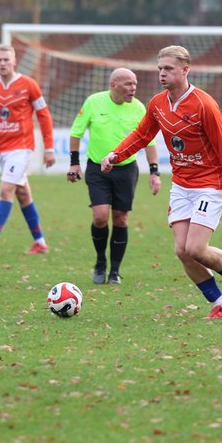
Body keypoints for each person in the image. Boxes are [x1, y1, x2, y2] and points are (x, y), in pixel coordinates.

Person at [100, 45, 222, 319]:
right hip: (182, 185)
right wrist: (116, 154)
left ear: (185, 70)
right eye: (160, 68)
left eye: (168, 68)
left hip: (210, 184)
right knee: (183, 251)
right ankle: (219, 305)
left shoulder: (204, 105)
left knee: (196, 248)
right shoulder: (157, 104)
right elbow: (142, 135)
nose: (162, 73)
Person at [68, 68, 161, 285]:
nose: (133, 88)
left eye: (135, 83)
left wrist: (154, 172)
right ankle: (101, 262)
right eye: (128, 84)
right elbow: (76, 132)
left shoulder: (139, 108)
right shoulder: (93, 102)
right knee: (100, 217)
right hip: (97, 169)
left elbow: (149, 141)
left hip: (126, 170)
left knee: (121, 218)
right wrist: (74, 163)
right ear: (113, 85)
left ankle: (115, 271)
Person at [0, 44, 56, 255]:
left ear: (14, 61)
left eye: (6, 60)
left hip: (22, 148)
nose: (2, 63)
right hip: (3, 149)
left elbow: (44, 115)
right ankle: (40, 242)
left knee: (5, 190)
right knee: (23, 195)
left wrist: (49, 147)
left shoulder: (29, 85)